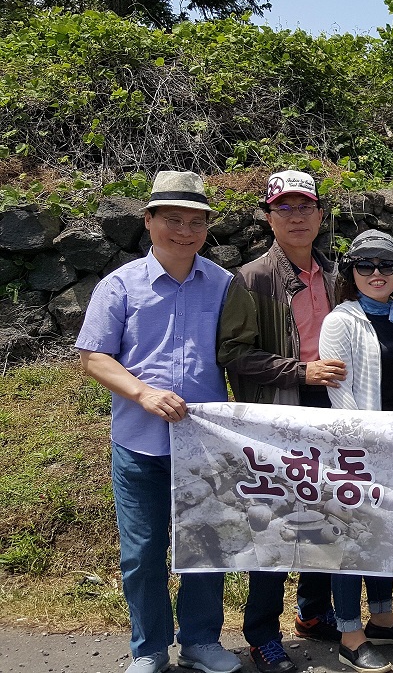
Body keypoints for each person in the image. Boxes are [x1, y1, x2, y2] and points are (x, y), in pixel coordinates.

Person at [76, 170, 242, 673]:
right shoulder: (119, 285)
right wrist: (143, 392)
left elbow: (243, 353)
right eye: (173, 219)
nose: (185, 231)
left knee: (205, 549)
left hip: (204, 444)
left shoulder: (223, 284)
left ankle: (200, 642)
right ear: (149, 221)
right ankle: (148, 650)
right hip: (138, 444)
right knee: (143, 554)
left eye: (196, 222)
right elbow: (92, 356)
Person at [217, 170, 347, 673]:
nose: (297, 217)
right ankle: (261, 632)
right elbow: (232, 354)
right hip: (277, 412)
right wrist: (300, 370)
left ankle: (314, 614)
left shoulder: (335, 275)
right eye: (285, 209)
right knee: (271, 524)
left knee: (326, 515)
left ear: (320, 215)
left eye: (305, 207)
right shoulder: (250, 279)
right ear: (269, 218)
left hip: (332, 410)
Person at [317, 230, 393, 673]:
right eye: (366, 266)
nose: (376, 274)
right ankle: (350, 633)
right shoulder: (341, 320)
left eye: (386, 265)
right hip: (354, 449)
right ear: (351, 272)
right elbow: (341, 394)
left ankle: (381, 615)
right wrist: (364, 443)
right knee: (349, 540)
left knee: (382, 534)